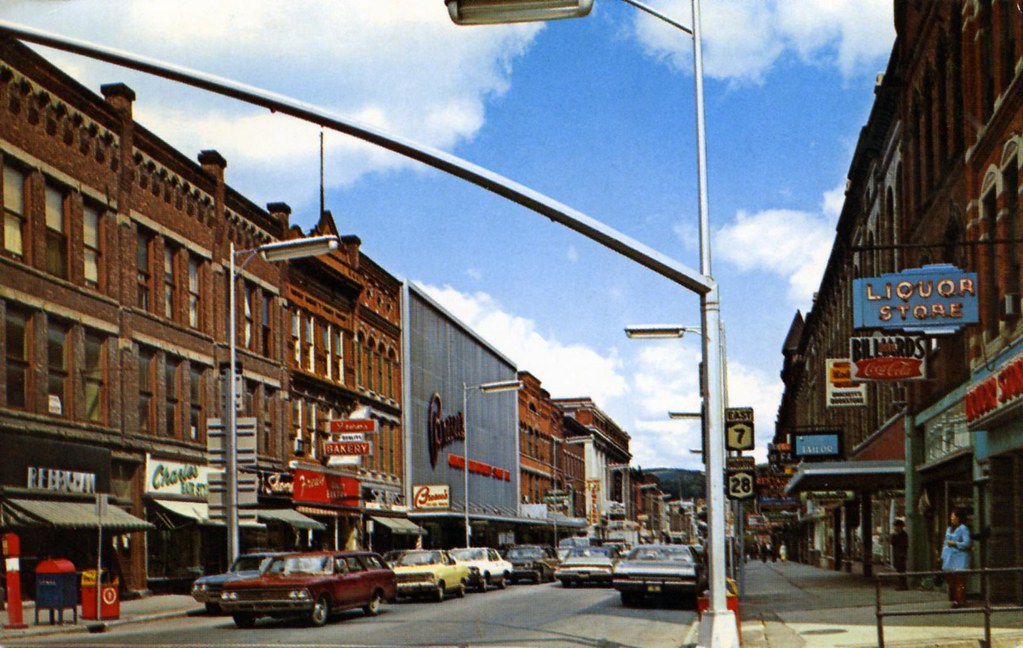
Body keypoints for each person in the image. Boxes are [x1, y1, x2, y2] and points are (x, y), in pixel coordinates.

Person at [940, 509, 971, 608]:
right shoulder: (949, 529)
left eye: (953, 517)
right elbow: (945, 543)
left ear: (958, 518)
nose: (951, 519)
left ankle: (960, 600)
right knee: (951, 580)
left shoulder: (963, 529)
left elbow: (967, 543)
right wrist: (941, 557)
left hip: (959, 559)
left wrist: (955, 544)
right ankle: (954, 599)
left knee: (959, 580)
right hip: (949, 558)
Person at [891, 519, 908, 590]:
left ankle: (903, 585)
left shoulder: (904, 535)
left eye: (896, 526)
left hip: (901, 554)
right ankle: (901, 584)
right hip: (896, 554)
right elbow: (892, 543)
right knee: (898, 570)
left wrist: (902, 554)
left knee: (902, 570)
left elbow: (904, 545)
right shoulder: (895, 534)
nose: (895, 528)